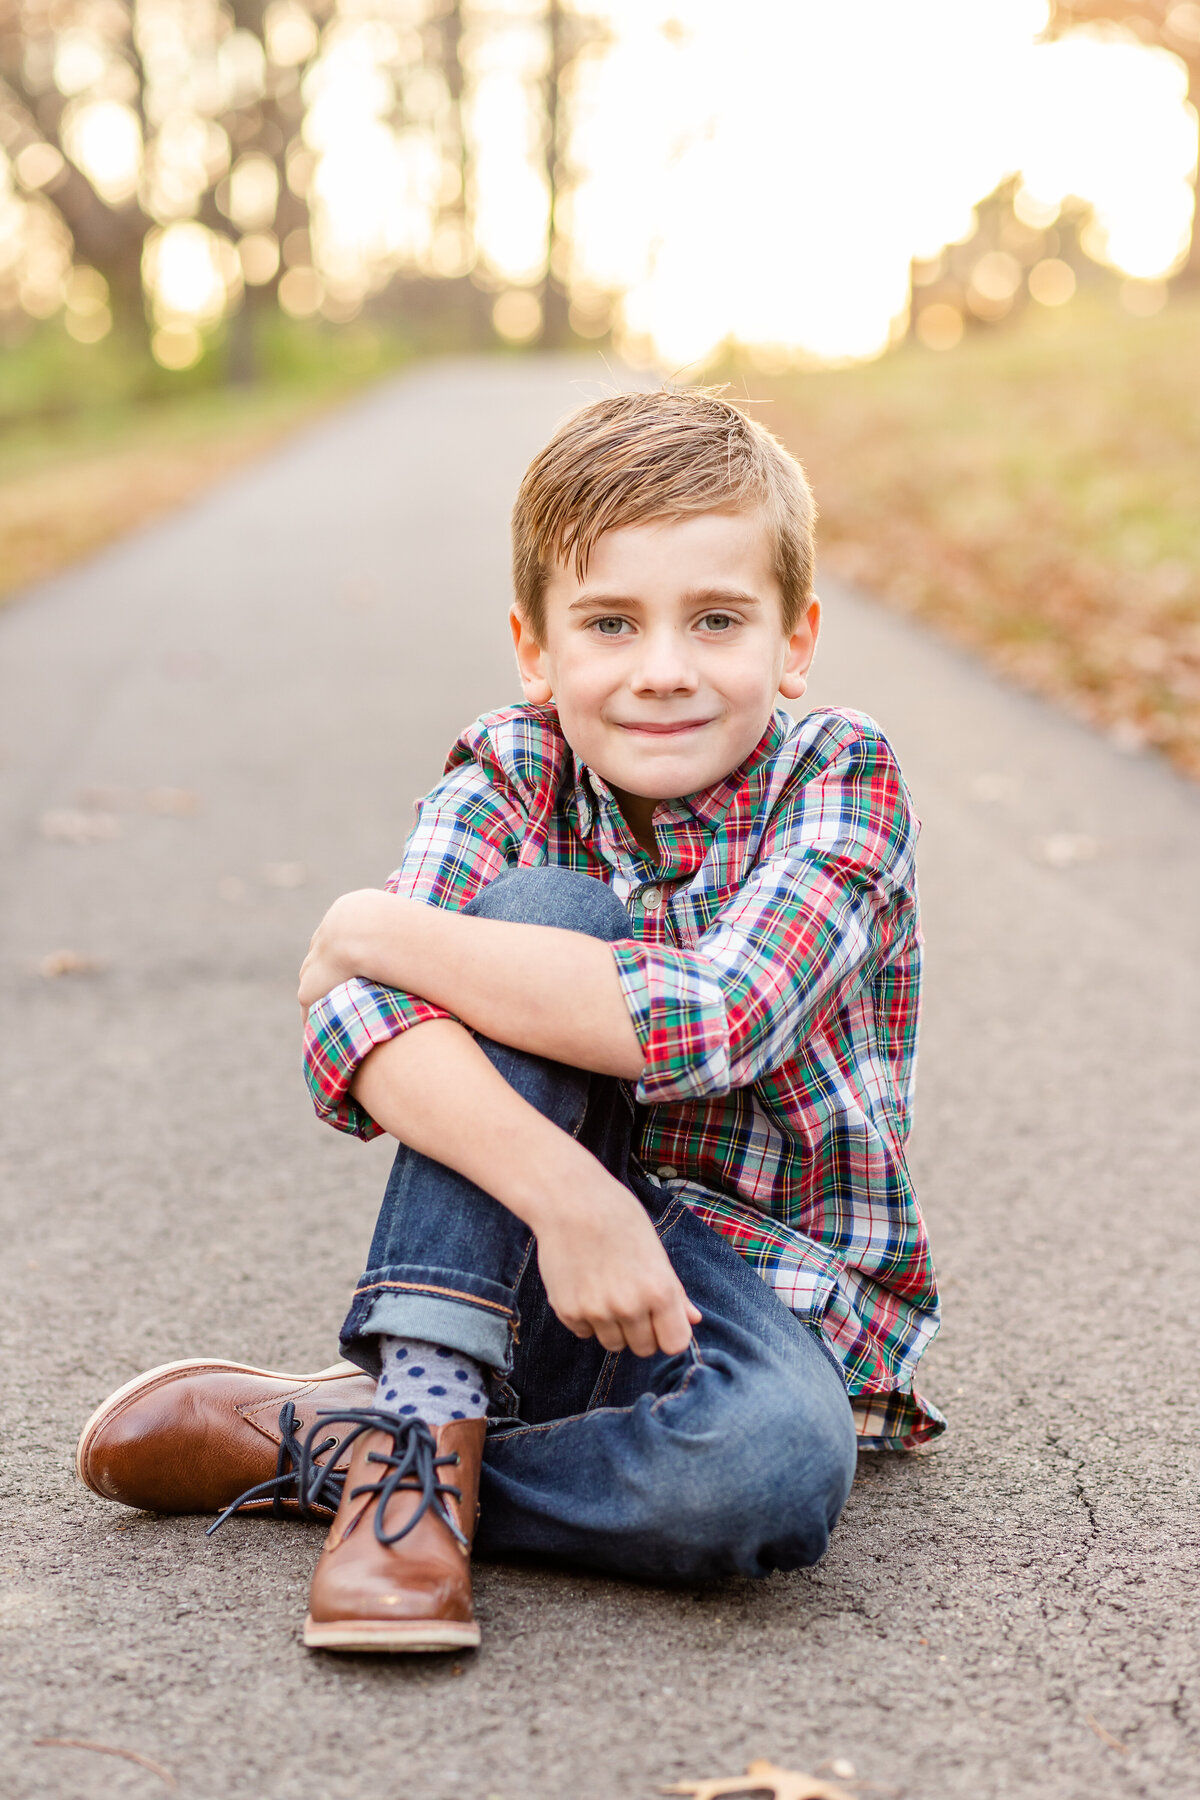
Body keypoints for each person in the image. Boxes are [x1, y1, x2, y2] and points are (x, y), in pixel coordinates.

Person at [76, 389, 943, 1654]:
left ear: (794, 639)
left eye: (716, 620)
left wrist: (376, 928)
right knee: (542, 905)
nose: (663, 669)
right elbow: (351, 1041)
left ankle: (333, 1449)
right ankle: (421, 1434)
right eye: (609, 622)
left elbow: (718, 1019)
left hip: (773, 1306)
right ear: (537, 649)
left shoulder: (842, 775)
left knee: (765, 1478)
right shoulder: (511, 764)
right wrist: (566, 1196)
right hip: (524, 1266)